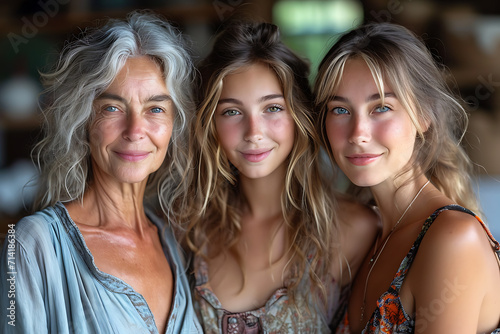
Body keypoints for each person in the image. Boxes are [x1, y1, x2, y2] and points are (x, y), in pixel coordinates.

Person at [0, 11, 202, 334]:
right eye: (112, 108)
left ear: (173, 127)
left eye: (155, 109)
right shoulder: (32, 245)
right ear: (84, 122)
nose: (135, 130)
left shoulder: (174, 242)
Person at [173, 20, 378, 333]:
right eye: (231, 111)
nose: (254, 133)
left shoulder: (354, 230)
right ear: (210, 124)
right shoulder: (188, 229)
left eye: (272, 108)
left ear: (299, 115)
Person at [314, 22, 500, 333]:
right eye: (340, 110)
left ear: (424, 115)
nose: (358, 133)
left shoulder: (453, 238)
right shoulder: (367, 236)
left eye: (382, 107)